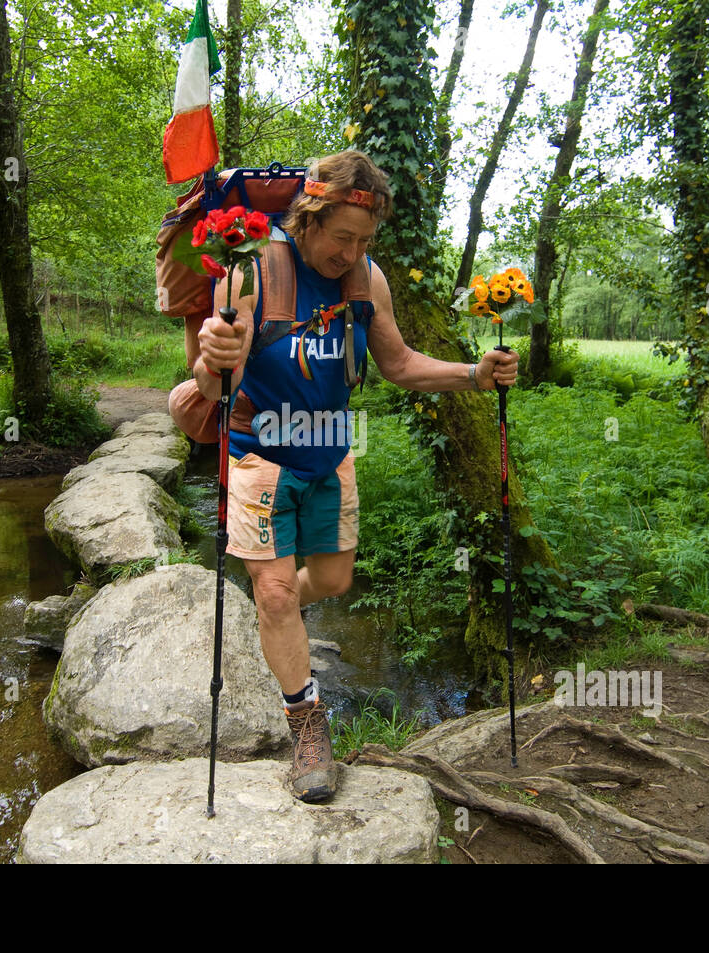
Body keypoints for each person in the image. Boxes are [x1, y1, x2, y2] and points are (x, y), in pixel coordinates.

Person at [192, 150, 519, 803]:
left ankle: (272, 614)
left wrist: (473, 374)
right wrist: (213, 357)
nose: (353, 252)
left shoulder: (367, 281)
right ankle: (308, 728)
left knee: (334, 580)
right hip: (260, 449)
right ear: (309, 217)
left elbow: (397, 363)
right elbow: (215, 383)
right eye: (343, 237)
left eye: (366, 240)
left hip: (330, 451)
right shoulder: (254, 269)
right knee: (280, 593)